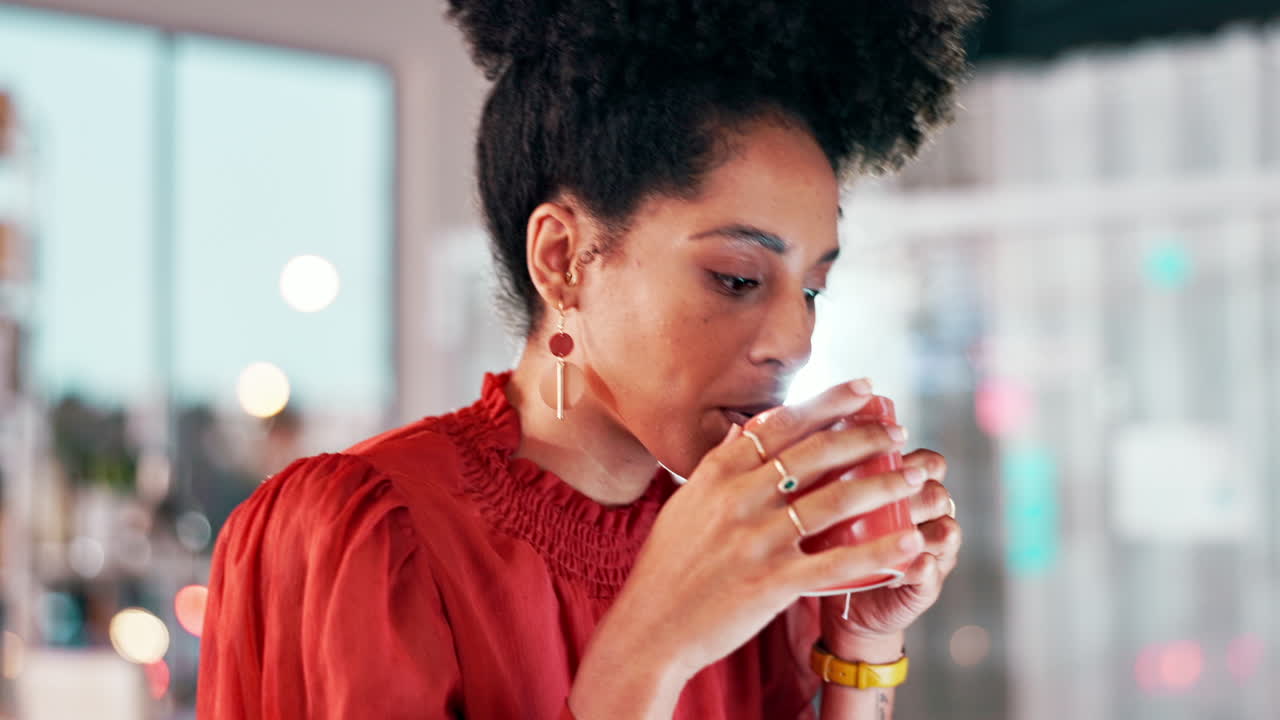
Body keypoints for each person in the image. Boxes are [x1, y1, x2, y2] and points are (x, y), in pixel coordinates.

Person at [196, 1, 980, 718]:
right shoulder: (362, 537)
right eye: (737, 277)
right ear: (564, 256)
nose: (795, 340)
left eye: (811, 289)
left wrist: (863, 647)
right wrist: (648, 653)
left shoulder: (747, 539)